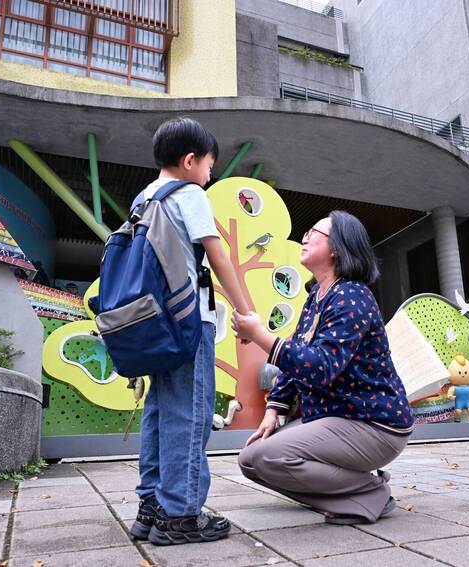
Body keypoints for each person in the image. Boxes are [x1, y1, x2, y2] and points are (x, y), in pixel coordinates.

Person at [231, 211, 414, 525]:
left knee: (270, 457)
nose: (304, 237)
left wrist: (261, 337)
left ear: (336, 248)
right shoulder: (317, 296)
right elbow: (299, 355)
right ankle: (354, 497)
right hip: (333, 418)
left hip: (373, 424)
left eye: (313, 231)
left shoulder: (353, 297)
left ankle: (370, 491)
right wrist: (275, 407)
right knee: (250, 461)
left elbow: (321, 367)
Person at [130, 117, 251, 546]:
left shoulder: (142, 198)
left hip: (151, 323)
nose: (210, 175)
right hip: (186, 322)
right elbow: (218, 260)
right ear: (189, 160)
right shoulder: (189, 194)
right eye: (209, 167)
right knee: (191, 413)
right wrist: (247, 311)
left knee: (160, 410)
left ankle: (151, 507)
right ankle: (181, 515)